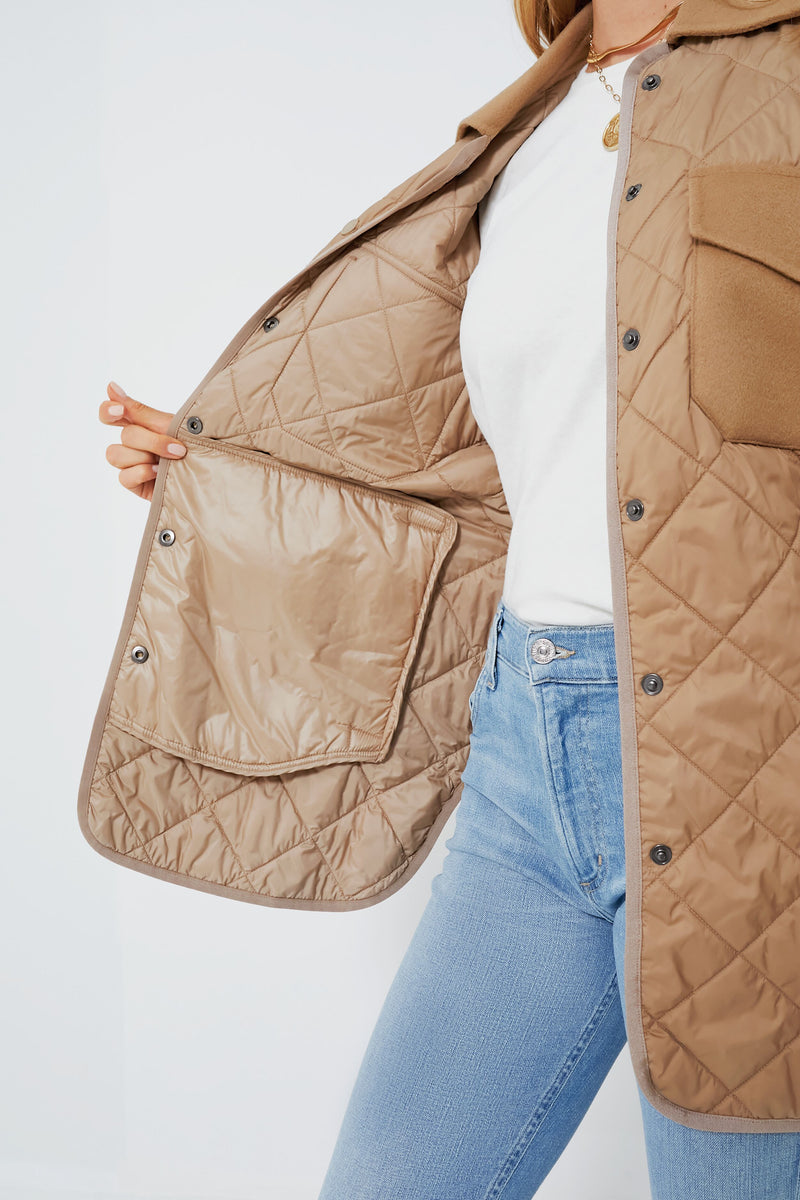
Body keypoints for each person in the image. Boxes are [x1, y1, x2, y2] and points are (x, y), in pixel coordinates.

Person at [96, 0, 800, 1195]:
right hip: (523, 751)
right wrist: (231, 478)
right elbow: (472, 466)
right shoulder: (531, 128)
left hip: (751, 760)